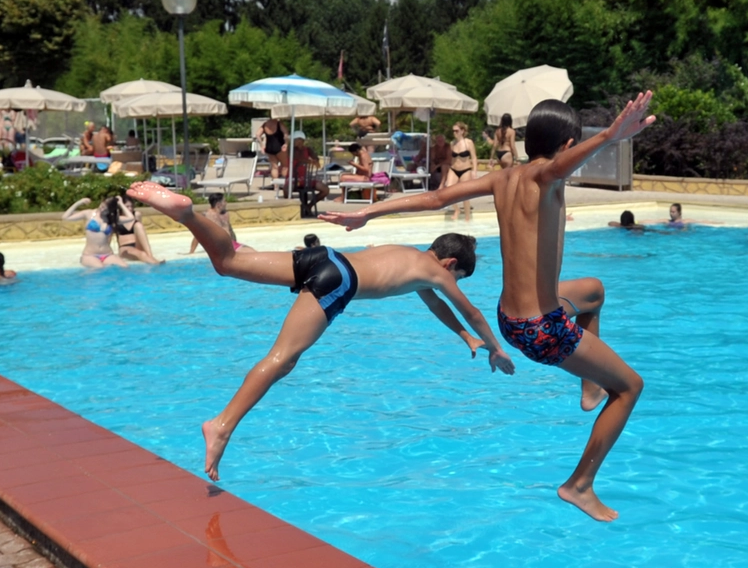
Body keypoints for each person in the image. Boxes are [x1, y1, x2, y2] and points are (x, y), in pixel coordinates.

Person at [323, 93, 656, 522]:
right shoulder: (547, 177)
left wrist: (369, 213)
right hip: (542, 329)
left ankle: (588, 385)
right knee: (630, 387)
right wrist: (611, 135)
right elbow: (558, 167)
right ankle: (580, 484)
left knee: (592, 290)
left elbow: (433, 200)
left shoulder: (506, 177)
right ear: (568, 144)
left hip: (509, 318)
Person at [125, 181, 515, 481]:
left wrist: (464, 338)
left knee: (228, 261)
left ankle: (189, 215)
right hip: (339, 280)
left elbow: (435, 304)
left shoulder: (410, 255)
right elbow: (472, 310)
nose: (452, 282)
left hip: (325, 257)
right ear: (449, 264)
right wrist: (495, 347)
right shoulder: (436, 273)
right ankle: (222, 426)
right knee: (282, 359)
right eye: (457, 277)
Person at [63, 196, 130, 269]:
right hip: (90, 255)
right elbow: (65, 217)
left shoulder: (111, 219)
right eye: (102, 205)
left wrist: (121, 204)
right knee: (99, 268)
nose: (102, 208)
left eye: (106, 208)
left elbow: (130, 218)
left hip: (107, 254)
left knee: (125, 267)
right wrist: (79, 202)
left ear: (110, 209)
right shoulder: (89, 213)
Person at [189, 193, 255, 255]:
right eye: (224, 201)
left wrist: (234, 244)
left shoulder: (225, 214)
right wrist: (191, 252)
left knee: (252, 252)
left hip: (230, 245)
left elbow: (230, 231)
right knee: (250, 253)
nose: (226, 203)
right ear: (218, 204)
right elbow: (198, 235)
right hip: (218, 247)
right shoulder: (206, 216)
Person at [115, 193, 164, 265]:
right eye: (127, 206)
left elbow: (140, 233)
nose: (130, 208)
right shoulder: (117, 219)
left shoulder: (137, 215)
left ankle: (150, 256)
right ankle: (155, 264)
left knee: (138, 225)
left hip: (137, 245)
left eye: (131, 206)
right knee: (142, 254)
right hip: (125, 248)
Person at [290, 131, 331, 209]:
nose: (293, 142)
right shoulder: (291, 150)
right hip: (293, 178)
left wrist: (314, 160)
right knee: (287, 190)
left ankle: (309, 206)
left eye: (294, 140)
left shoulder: (308, 149)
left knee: (325, 190)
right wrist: (309, 161)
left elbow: (317, 164)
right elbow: (298, 159)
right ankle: (296, 208)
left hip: (305, 179)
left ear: (300, 140)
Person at [446, 122, 478, 220]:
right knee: (448, 190)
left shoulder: (468, 142)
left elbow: (474, 157)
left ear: (462, 131)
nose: (454, 133)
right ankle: (457, 210)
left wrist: (474, 171)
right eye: (453, 131)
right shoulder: (452, 143)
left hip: (465, 170)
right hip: (454, 169)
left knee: (465, 194)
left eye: (457, 131)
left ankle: (467, 217)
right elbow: (452, 159)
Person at [259, 119, 288, 192]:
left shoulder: (265, 124)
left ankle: (276, 186)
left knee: (274, 167)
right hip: (279, 146)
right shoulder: (278, 123)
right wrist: (286, 143)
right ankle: (286, 184)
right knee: (285, 165)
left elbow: (257, 134)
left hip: (269, 148)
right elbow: (286, 133)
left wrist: (262, 145)